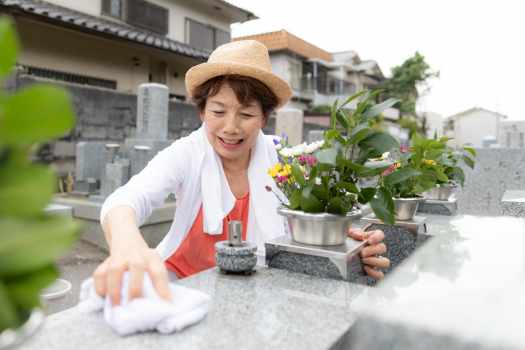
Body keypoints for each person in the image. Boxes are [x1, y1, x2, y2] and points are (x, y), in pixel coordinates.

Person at [93, 40, 390, 305]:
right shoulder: (187, 153)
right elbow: (126, 199)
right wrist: (127, 244)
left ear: (263, 117)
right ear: (202, 112)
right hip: (179, 289)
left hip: (256, 295)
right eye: (218, 111)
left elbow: (311, 224)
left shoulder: (283, 162)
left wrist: (350, 248)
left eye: (246, 114)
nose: (231, 127)